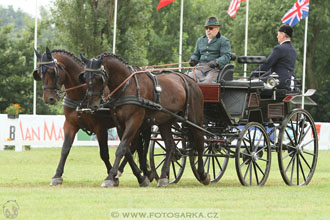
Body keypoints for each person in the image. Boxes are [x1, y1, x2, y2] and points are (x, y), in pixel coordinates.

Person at [251, 24, 297, 90]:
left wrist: (254, 74)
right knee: (260, 80)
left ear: (282, 35)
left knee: (252, 84)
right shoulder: (293, 50)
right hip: (290, 81)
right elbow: (281, 69)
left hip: (278, 82)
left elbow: (267, 64)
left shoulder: (279, 48)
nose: (277, 36)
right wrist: (261, 76)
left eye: (278, 34)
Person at [188, 16, 231, 83]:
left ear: (217, 28)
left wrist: (216, 62)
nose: (208, 30)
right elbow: (196, 54)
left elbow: (226, 56)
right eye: (206, 28)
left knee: (207, 83)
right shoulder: (200, 40)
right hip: (199, 69)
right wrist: (193, 59)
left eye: (210, 28)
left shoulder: (224, 41)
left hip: (213, 69)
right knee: (188, 79)